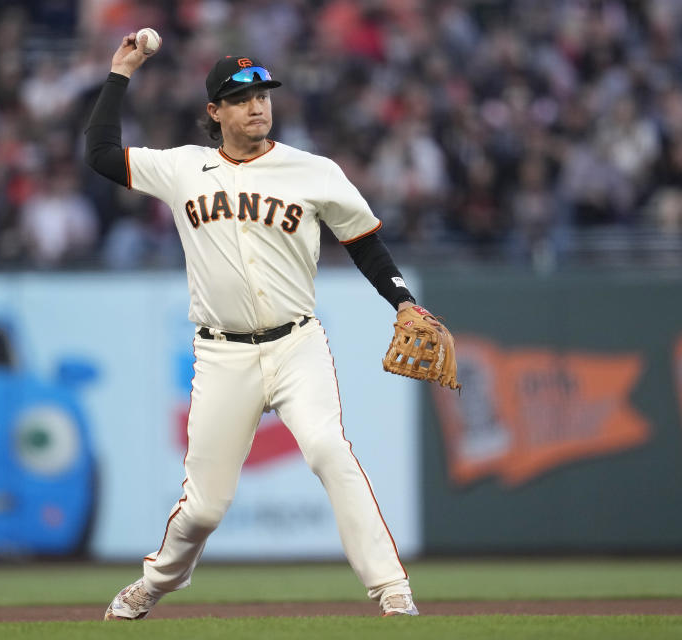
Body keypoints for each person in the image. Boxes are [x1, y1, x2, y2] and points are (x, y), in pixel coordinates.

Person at [85, 31, 437, 619]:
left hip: (298, 344)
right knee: (203, 509)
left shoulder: (312, 171)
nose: (257, 106)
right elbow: (99, 155)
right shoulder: (182, 169)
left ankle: (391, 591)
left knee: (330, 450)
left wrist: (401, 300)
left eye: (264, 94)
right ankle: (156, 582)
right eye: (242, 97)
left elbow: (365, 242)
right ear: (214, 112)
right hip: (223, 357)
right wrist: (121, 72)